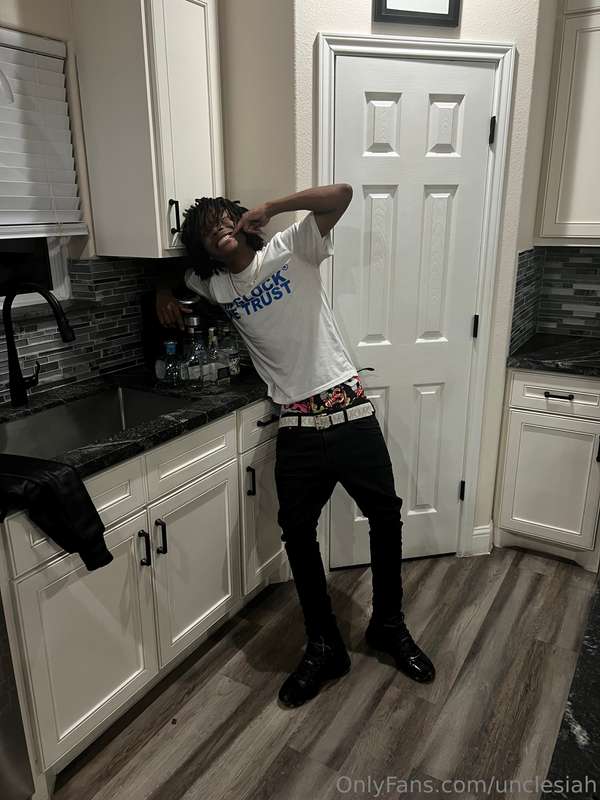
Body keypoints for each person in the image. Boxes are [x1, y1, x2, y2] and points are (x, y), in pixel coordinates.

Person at [156, 185, 435, 708]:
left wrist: (274, 206)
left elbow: (341, 195)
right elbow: (173, 275)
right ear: (205, 249)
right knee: (297, 532)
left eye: (223, 218)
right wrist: (161, 293)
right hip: (298, 426)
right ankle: (324, 644)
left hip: (349, 410)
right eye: (206, 231)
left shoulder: (292, 247)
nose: (218, 230)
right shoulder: (217, 287)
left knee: (385, 517)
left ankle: (388, 625)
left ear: (242, 222)